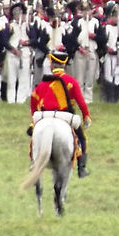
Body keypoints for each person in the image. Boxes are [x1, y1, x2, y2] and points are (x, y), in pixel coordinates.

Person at [29, 50, 91, 178]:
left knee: (34, 137)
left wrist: (34, 118)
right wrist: (86, 116)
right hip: (65, 116)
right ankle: (81, 167)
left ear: (52, 65)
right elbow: (81, 102)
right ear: (64, 65)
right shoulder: (71, 82)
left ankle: (33, 161)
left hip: (44, 116)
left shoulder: (43, 83)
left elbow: (33, 101)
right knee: (82, 138)